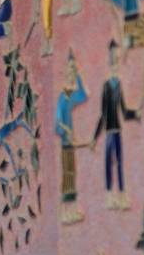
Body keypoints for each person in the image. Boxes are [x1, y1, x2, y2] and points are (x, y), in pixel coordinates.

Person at [92, 41, 139, 209]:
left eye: (117, 61)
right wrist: (94, 137)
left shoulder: (118, 85)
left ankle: (121, 194)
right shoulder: (106, 86)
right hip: (109, 131)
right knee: (108, 162)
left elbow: (124, 111)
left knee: (119, 162)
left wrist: (135, 114)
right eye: (113, 61)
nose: (115, 65)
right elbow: (103, 114)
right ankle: (109, 195)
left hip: (117, 130)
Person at [56, 52, 88, 224]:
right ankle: (64, 212)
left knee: (72, 176)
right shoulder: (62, 98)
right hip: (65, 144)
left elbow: (83, 95)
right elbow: (57, 123)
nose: (71, 71)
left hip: (70, 142)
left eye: (73, 68)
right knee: (67, 178)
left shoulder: (71, 96)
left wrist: (79, 76)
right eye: (70, 68)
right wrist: (65, 129)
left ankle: (72, 210)